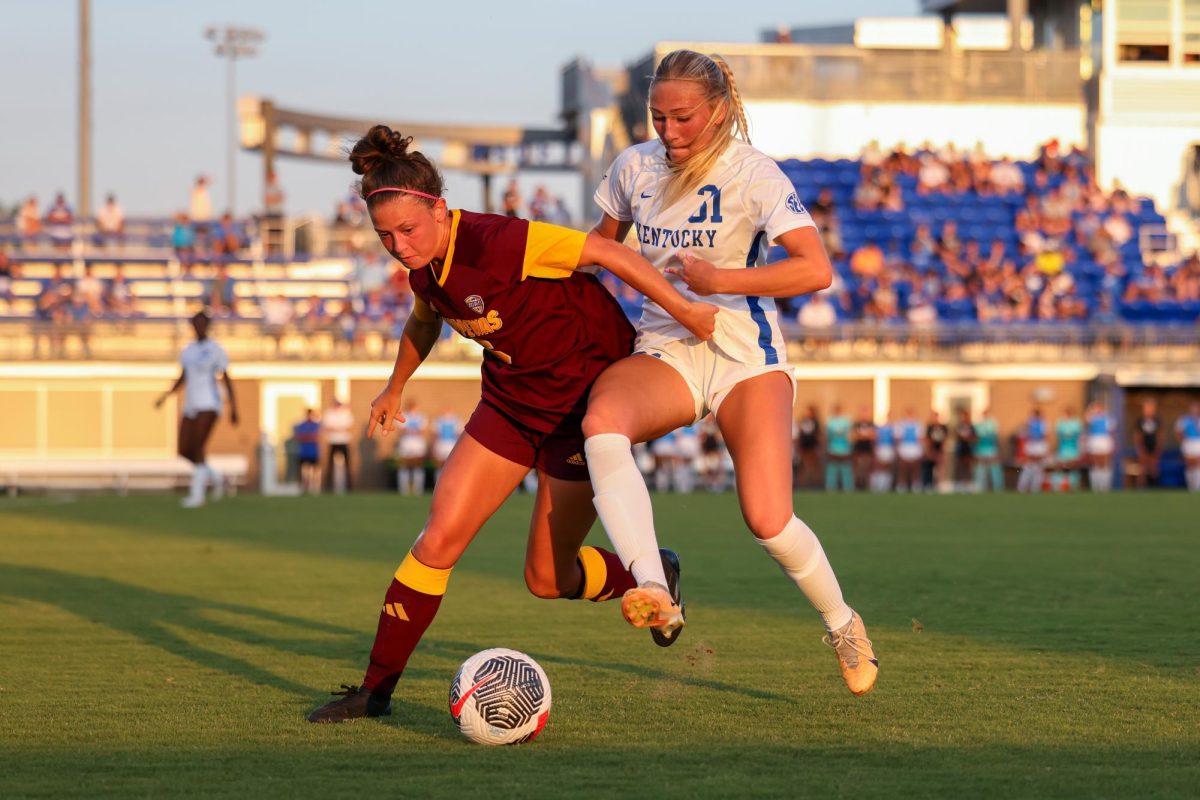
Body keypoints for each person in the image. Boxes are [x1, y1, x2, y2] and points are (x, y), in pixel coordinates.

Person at [307, 125, 716, 723]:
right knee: (437, 539)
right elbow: (426, 319)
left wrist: (683, 310)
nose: (397, 245)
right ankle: (375, 693)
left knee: (547, 579)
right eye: (385, 235)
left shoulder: (500, 240)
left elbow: (605, 252)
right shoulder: (425, 264)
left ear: (440, 210)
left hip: (580, 406)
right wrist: (396, 385)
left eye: (407, 230)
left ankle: (656, 572)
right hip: (509, 406)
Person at [580, 50, 877, 696]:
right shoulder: (634, 167)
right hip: (667, 349)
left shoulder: (755, 174)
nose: (669, 131)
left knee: (768, 518)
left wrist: (721, 281)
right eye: (658, 117)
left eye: (683, 117)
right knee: (602, 422)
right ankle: (653, 585)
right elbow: (596, 250)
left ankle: (843, 623)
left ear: (717, 111)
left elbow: (813, 269)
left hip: (745, 355)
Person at [154, 310, 238, 507]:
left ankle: (197, 495)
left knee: (198, 446)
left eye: (202, 324)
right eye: (195, 324)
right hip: (191, 403)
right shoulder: (188, 351)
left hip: (209, 403)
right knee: (184, 449)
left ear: (207, 326)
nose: (199, 327)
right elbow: (183, 377)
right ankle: (216, 478)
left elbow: (226, 377)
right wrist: (165, 396)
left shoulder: (215, 349)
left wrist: (234, 407)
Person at [394, 399, 429, 495]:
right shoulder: (404, 416)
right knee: (404, 466)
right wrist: (413, 431)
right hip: (406, 444)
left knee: (418, 466)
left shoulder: (421, 417)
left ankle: (418, 490)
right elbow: (401, 431)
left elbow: (422, 431)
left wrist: (409, 430)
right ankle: (403, 490)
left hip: (418, 444)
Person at [323, 397, 355, 493]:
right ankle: (328, 487)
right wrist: (340, 428)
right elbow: (328, 427)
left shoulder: (346, 414)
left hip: (344, 441)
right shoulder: (329, 414)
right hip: (332, 442)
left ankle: (349, 488)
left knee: (348, 465)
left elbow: (349, 427)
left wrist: (336, 428)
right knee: (330, 465)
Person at [1083, 400, 1116, 492]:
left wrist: (1113, 444)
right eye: (1096, 407)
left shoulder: (1108, 417)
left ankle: (1105, 487)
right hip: (1094, 440)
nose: (1098, 409)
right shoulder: (1092, 417)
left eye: (1100, 407)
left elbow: (1111, 431)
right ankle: (1095, 487)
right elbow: (1086, 419)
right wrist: (1091, 409)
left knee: (1104, 464)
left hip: (1104, 440)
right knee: (1095, 465)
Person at [1016, 408, 1049, 493]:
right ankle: (1022, 487)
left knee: (1038, 469)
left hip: (1039, 445)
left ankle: (1035, 488)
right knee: (1028, 468)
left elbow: (1045, 436)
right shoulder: (1028, 423)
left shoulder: (1043, 423)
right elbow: (1023, 435)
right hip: (1031, 445)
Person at [429, 406, 463, 485]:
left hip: (452, 445)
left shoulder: (456, 420)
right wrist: (433, 447)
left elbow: (459, 435)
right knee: (440, 466)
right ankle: (438, 485)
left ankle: (452, 484)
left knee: (453, 466)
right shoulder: (438, 421)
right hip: (441, 445)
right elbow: (435, 435)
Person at [1052, 406, 1083, 492]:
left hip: (1073, 448)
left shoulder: (1076, 423)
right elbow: (1058, 437)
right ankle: (1058, 485)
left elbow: (1077, 435)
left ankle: (1073, 485)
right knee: (1060, 467)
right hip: (1062, 449)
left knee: (1072, 467)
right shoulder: (1060, 423)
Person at [1132, 399, 1161, 489]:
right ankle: (1141, 488)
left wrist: (1158, 448)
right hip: (1143, 446)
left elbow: (1160, 435)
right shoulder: (1140, 421)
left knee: (1153, 468)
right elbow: (1137, 436)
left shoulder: (1157, 421)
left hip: (1153, 446)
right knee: (1142, 469)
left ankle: (1153, 488)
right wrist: (1140, 448)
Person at [973, 408, 1004, 492]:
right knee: (980, 469)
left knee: (994, 469)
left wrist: (997, 449)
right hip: (981, 449)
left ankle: (998, 488)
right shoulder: (979, 424)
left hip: (991, 449)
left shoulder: (992, 423)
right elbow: (976, 438)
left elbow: (995, 437)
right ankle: (980, 488)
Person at [1176, 401, 1200, 492]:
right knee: (1189, 464)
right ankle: (1191, 487)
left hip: (1198, 443)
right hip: (1188, 443)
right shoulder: (1184, 419)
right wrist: (1183, 442)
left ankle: (1197, 487)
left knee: (1198, 463)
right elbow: (1178, 432)